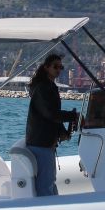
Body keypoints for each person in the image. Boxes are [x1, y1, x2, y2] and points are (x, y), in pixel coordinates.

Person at [25, 53, 80, 196]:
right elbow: (50, 114)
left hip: (44, 142)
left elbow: (52, 115)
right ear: (46, 67)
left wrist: (62, 132)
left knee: (50, 180)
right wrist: (73, 116)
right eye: (55, 66)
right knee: (45, 183)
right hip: (41, 143)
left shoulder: (49, 86)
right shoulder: (43, 88)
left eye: (61, 67)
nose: (59, 69)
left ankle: (53, 207)